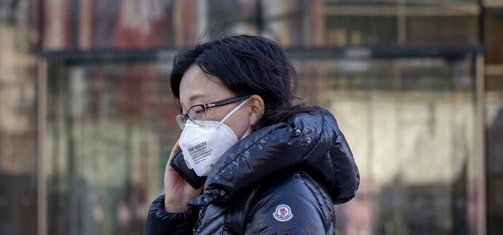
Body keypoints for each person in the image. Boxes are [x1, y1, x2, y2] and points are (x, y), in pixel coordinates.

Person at [144, 35, 360, 235]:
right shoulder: (230, 192)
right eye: (186, 115)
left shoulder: (285, 197)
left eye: (199, 110)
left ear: (253, 108)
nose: (190, 129)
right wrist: (175, 210)